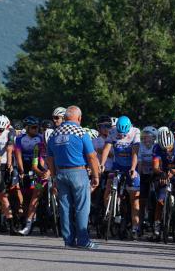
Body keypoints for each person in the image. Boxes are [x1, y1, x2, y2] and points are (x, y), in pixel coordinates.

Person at [45, 106, 99, 249]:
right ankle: (83, 240)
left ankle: (68, 240)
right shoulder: (81, 132)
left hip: (60, 173)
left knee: (65, 207)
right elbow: (92, 156)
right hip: (78, 173)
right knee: (82, 207)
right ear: (79, 118)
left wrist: (54, 176)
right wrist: (95, 175)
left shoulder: (54, 134)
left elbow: (49, 159)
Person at [100, 115, 141, 238]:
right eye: (120, 134)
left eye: (124, 134)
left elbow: (135, 153)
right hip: (117, 166)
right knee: (108, 186)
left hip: (131, 166)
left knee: (134, 199)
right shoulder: (113, 132)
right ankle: (109, 211)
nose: (122, 136)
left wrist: (133, 169)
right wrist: (102, 164)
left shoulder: (135, 132)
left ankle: (135, 227)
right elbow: (106, 149)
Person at [15, 116, 48, 236]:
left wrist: (43, 171)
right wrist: (21, 170)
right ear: (27, 128)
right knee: (27, 194)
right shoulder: (20, 139)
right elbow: (18, 154)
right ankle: (25, 220)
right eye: (33, 128)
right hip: (25, 165)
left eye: (37, 128)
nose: (36, 130)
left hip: (41, 166)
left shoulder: (41, 138)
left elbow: (42, 158)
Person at [152, 127, 175, 241]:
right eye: (164, 149)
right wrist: (162, 174)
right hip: (163, 173)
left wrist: (172, 172)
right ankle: (156, 228)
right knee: (159, 201)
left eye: (169, 148)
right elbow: (155, 167)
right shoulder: (156, 147)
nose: (167, 151)